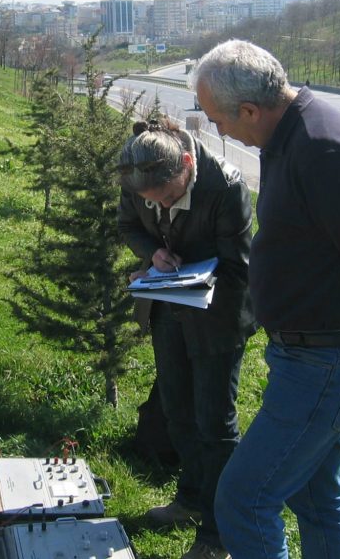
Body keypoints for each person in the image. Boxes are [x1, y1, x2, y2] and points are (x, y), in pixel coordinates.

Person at [193, 39, 340, 558]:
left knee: (244, 498)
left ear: (251, 110)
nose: (220, 131)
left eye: (219, 120)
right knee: (314, 490)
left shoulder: (322, 149)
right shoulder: (291, 136)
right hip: (314, 354)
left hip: (330, 359)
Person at [117, 117, 256, 559]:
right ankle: (192, 500)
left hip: (219, 315)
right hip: (167, 309)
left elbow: (239, 269)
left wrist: (195, 276)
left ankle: (218, 534)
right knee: (178, 411)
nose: (159, 206)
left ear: (189, 164)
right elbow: (129, 225)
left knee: (215, 424)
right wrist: (152, 254)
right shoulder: (138, 170)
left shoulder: (227, 188)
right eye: (150, 200)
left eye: (170, 197)